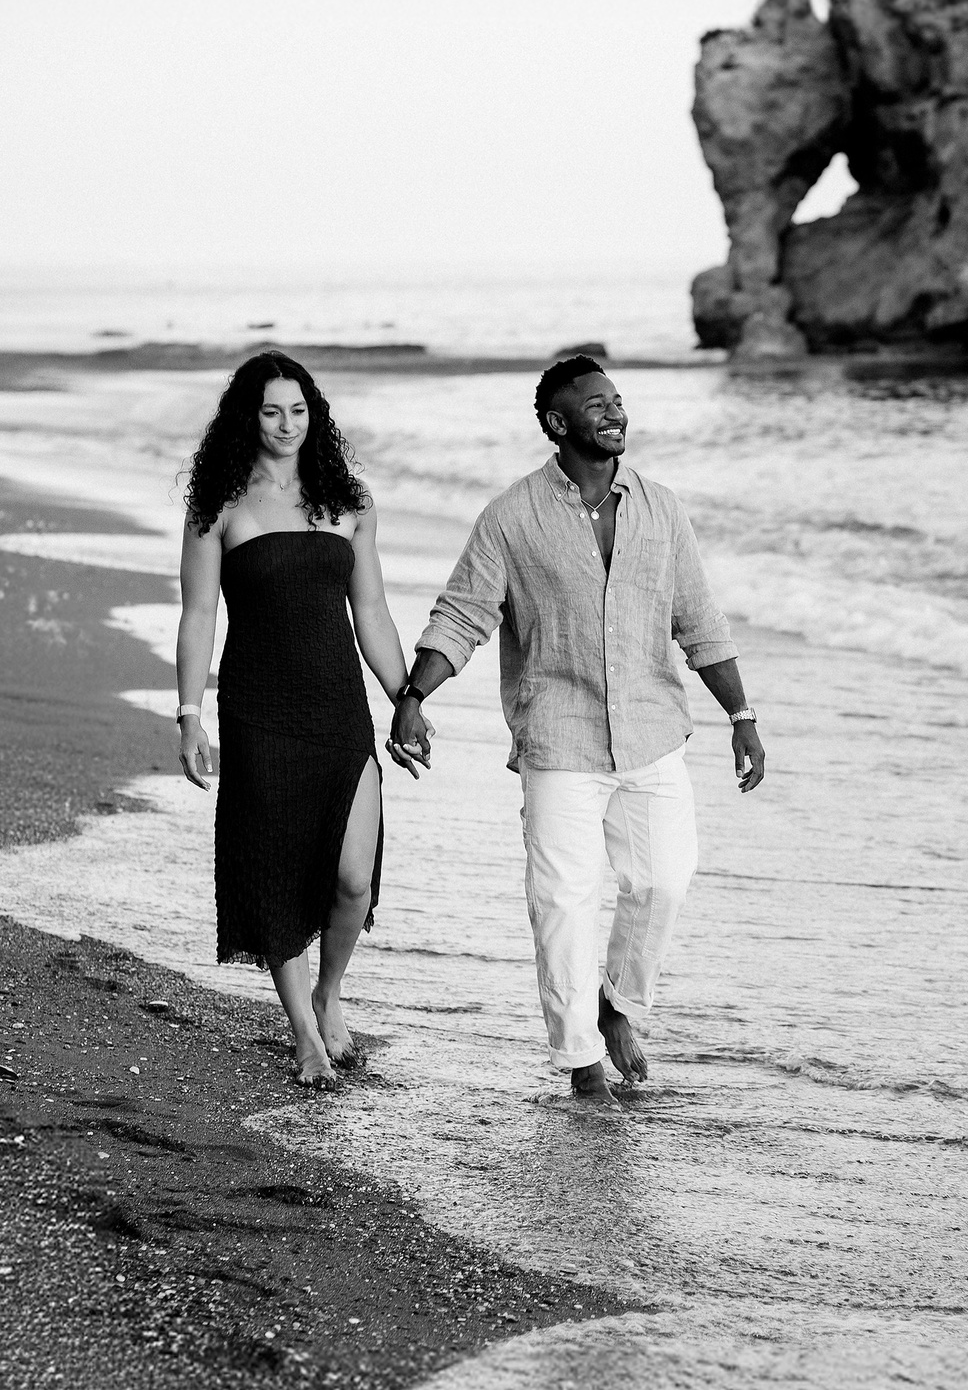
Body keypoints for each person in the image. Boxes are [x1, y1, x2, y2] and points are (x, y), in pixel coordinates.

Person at [389, 355, 766, 1104]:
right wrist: (412, 696)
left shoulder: (662, 510)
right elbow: (462, 614)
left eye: (618, 400)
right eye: (597, 404)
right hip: (559, 739)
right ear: (558, 424)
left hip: (653, 732)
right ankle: (582, 1063)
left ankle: (617, 1003)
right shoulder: (511, 517)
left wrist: (742, 715)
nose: (615, 412)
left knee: (664, 879)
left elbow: (700, 620)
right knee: (562, 899)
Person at [174, 350, 425, 1089]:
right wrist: (189, 716)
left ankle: (329, 989)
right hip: (257, 710)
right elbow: (196, 618)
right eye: (270, 411)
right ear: (246, 418)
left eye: (298, 410)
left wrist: (405, 697)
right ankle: (304, 1033)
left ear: (313, 414)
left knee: (354, 880)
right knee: (275, 870)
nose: (286, 424)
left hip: (338, 709)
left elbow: (372, 611)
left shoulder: (347, 502)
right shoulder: (218, 507)